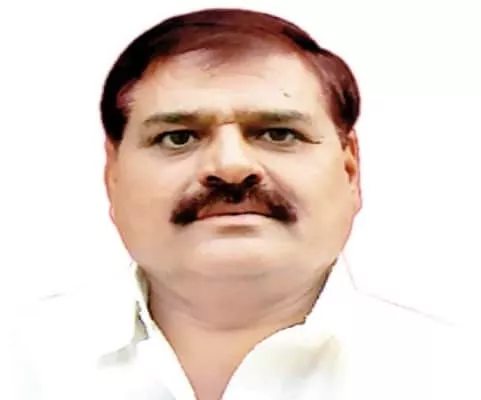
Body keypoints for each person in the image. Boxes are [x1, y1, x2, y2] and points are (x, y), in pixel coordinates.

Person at [5, 7, 476, 400]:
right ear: (113, 174)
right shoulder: (16, 363)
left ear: (350, 169)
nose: (231, 167)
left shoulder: (460, 376)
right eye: (178, 137)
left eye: (278, 133)